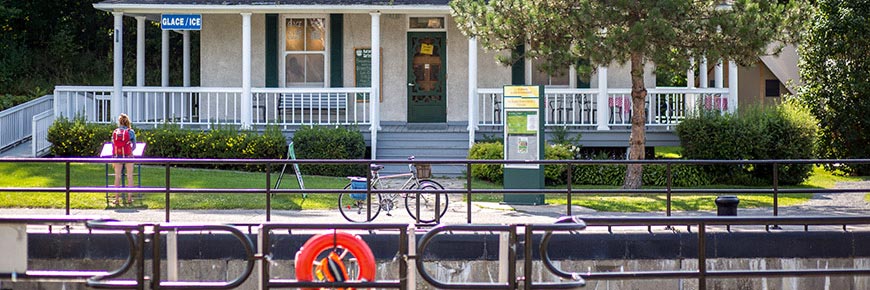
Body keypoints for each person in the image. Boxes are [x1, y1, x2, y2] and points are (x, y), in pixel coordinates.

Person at [111, 113, 137, 206]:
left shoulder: (115, 131)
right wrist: (129, 151)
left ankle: (117, 199)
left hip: (118, 156)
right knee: (129, 176)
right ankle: (129, 199)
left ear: (119, 122)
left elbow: (113, 145)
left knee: (117, 177)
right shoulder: (131, 132)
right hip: (128, 156)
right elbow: (134, 146)